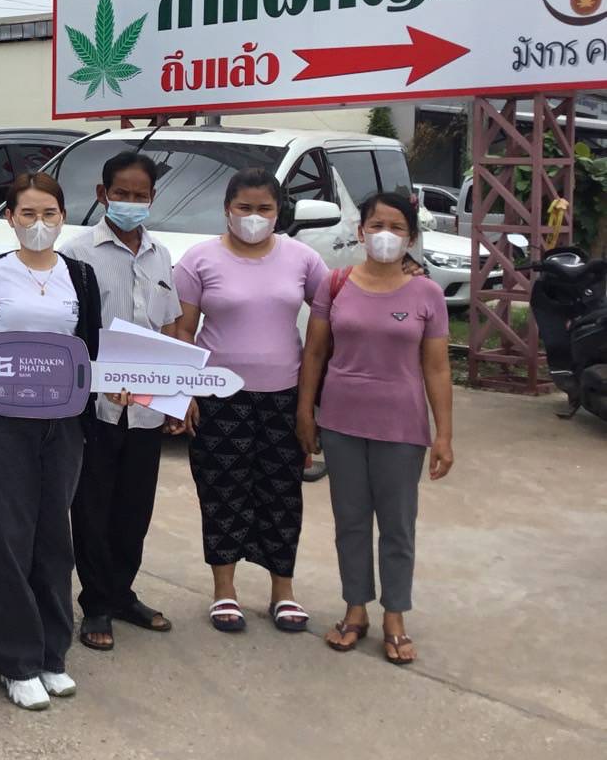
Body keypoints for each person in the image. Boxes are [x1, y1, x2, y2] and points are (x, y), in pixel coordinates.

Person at [0, 172, 103, 711]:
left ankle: (52, 655)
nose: (40, 224)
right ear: (10, 218)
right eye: (29, 214)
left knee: (54, 538)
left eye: (50, 214)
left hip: (63, 423)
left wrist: (112, 387)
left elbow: (91, 350)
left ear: (64, 216)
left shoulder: (80, 276)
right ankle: (17, 661)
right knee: (12, 537)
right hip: (7, 422)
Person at [296, 192, 454, 665]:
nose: (386, 234)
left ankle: (395, 616)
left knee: (397, 525)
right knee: (350, 521)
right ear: (360, 231)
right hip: (341, 422)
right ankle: (355, 609)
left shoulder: (426, 294)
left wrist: (444, 434)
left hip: (402, 426)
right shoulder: (336, 284)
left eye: (397, 227)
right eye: (376, 225)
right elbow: (314, 353)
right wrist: (305, 412)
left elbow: (437, 368)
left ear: (412, 236)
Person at [174, 169, 327, 634]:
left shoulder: (303, 259)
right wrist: (184, 391)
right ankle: (225, 590)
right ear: (227, 209)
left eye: (265, 208)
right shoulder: (198, 260)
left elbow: (331, 314)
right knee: (221, 491)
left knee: (282, 494)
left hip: (283, 396)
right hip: (218, 397)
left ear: (279, 212)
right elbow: (182, 330)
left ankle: (283, 592)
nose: (254, 217)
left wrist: (309, 406)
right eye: (245, 207)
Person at [61, 151, 186, 650]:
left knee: (135, 509)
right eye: (122, 194)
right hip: (97, 407)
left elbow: (170, 325)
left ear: (153, 198)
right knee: (93, 508)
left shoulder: (160, 254)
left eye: (140, 195)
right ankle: (95, 604)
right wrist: (95, 379)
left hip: (148, 408)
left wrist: (177, 398)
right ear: (102, 194)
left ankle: (122, 594)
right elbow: (67, 332)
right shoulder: (77, 254)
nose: (131, 203)